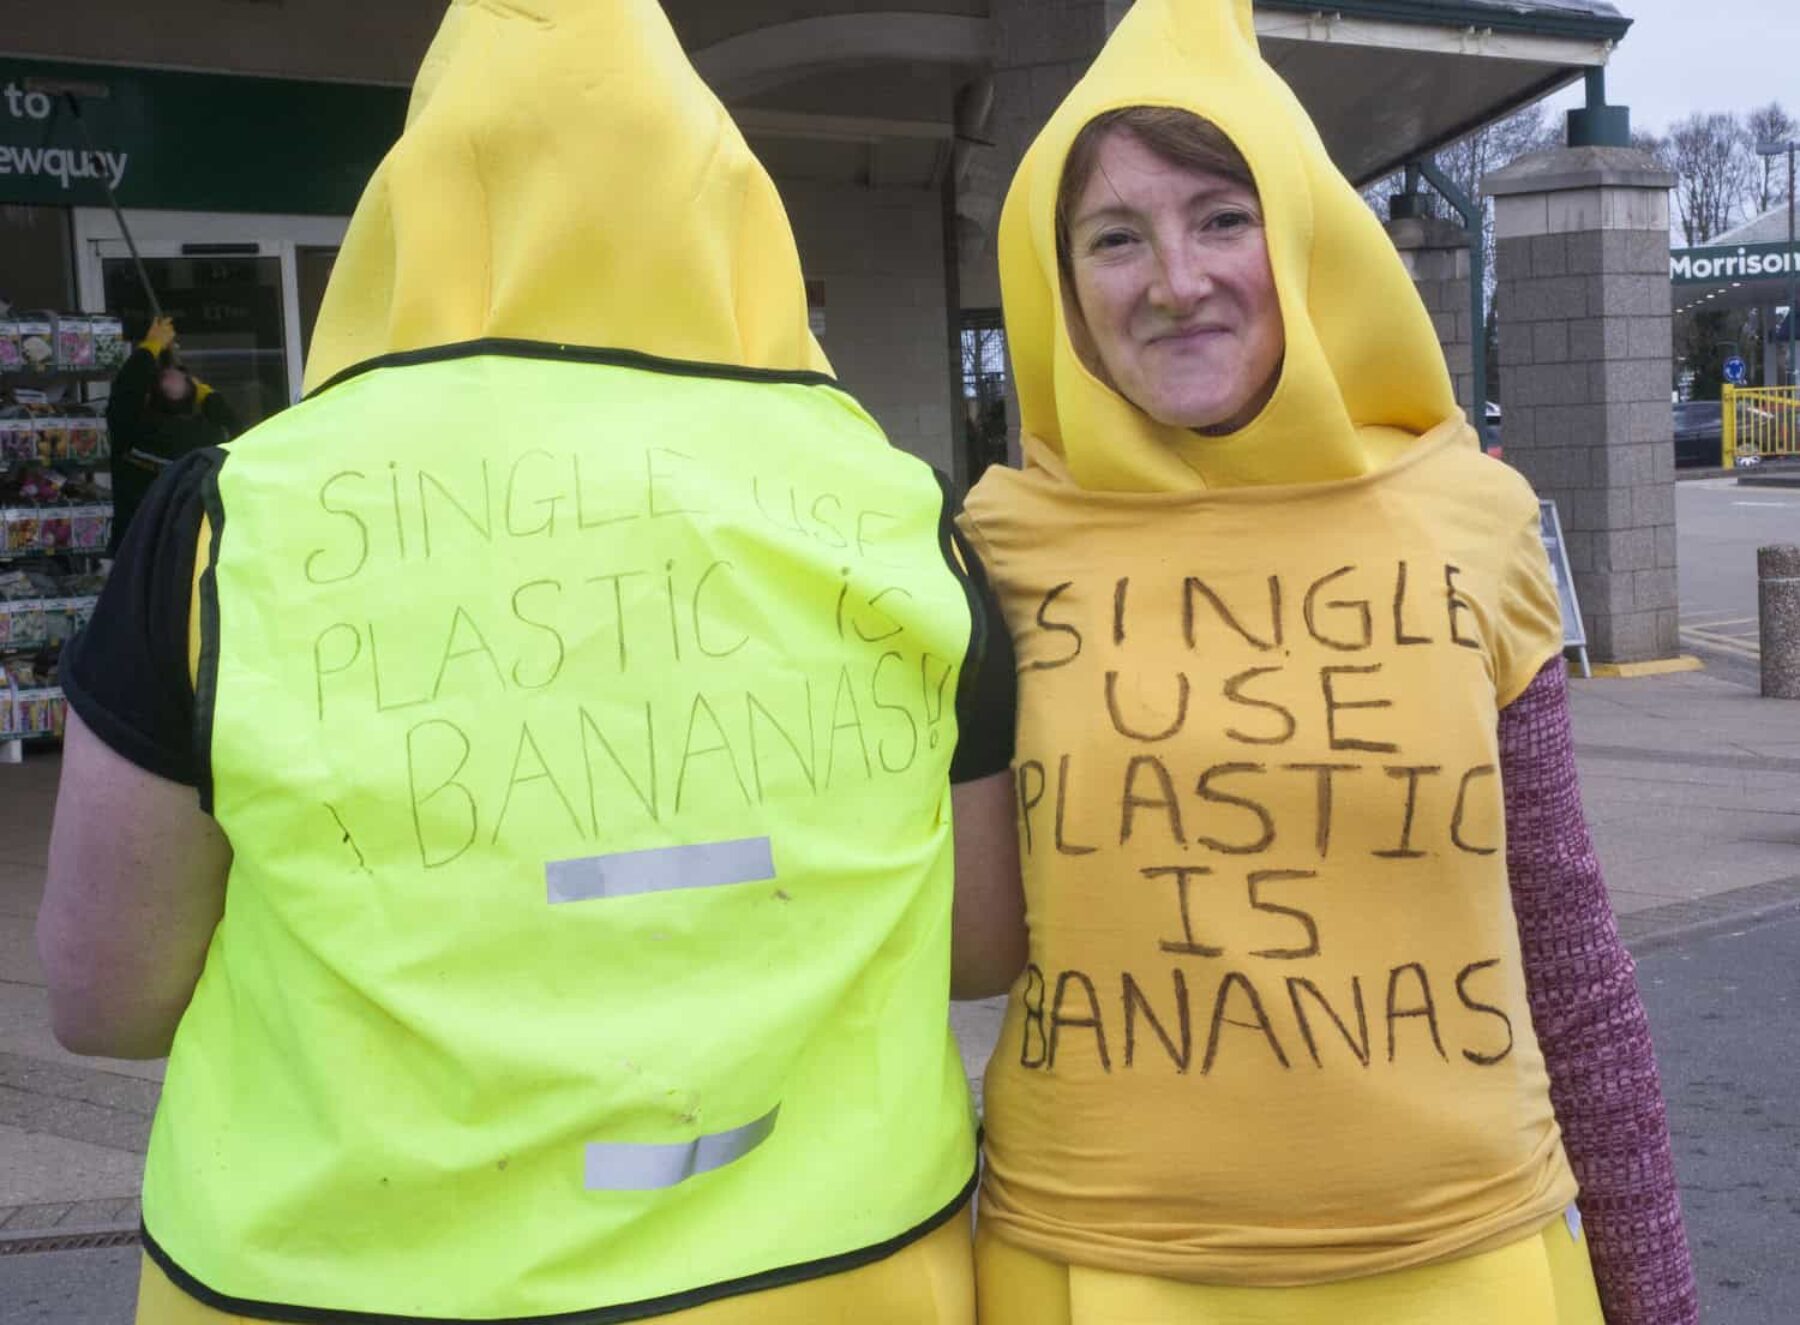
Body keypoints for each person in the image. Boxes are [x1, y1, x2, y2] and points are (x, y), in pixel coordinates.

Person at [37, 1, 1021, 1321]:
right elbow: (978, 945)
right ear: (729, 212)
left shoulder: (233, 518)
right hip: (837, 1278)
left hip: (331, 1286)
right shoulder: (897, 513)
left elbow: (107, 995)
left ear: (415, 209)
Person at [951, 1, 1699, 1322]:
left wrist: (1654, 1293)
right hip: (1099, 1268)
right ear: (1057, 281)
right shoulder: (991, 552)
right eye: (1114, 237)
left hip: (1466, 1266)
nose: (1174, 278)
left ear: (1299, 236)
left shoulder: (1471, 517)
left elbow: (1566, 935)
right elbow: (953, 943)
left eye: (1221, 217)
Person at [103, 316, 238, 555]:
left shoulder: (134, 432)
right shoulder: (209, 437)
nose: (174, 374)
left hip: (156, 554)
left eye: (179, 374)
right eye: (166, 375)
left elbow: (124, 395)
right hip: (169, 552)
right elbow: (235, 427)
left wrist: (150, 348)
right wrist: (208, 397)